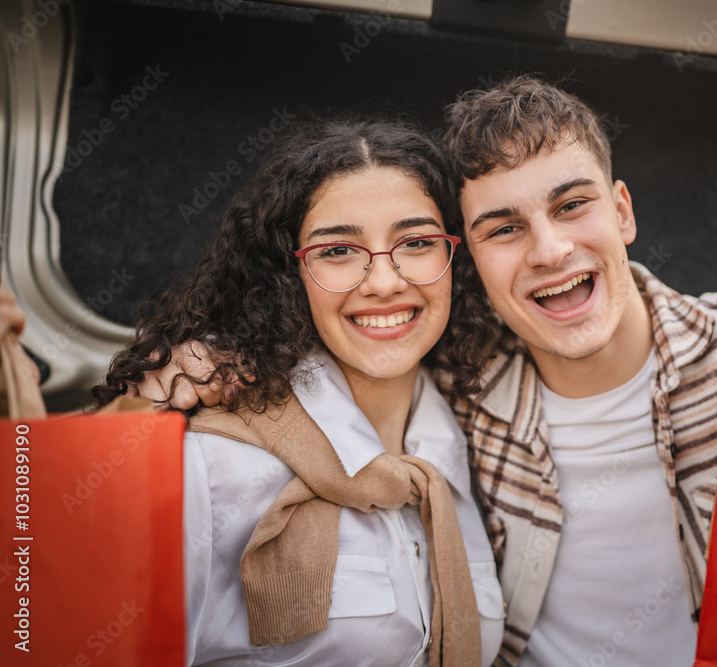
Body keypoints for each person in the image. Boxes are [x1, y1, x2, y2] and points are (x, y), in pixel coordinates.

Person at [130, 76, 717, 666]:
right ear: (470, 257)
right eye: (505, 227)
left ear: (621, 211)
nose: (550, 251)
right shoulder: (453, 400)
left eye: (572, 204)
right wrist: (179, 379)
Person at [94, 119, 505, 666]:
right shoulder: (206, 460)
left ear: (456, 260)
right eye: (338, 250)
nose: (384, 282)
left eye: (417, 242)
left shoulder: (477, 437)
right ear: (289, 275)